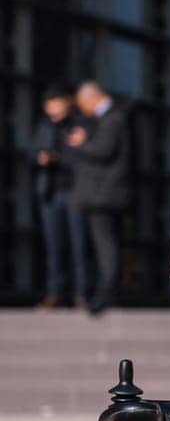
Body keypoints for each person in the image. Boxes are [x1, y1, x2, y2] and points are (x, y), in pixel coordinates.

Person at [68, 80, 131, 314]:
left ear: (91, 100)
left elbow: (103, 151)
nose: (83, 110)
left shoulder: (112, 118)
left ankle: (107, 292)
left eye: (83, 105)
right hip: (106, 193)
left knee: (106, 244)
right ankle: (109, 291)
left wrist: (82, 143)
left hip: (104, 193)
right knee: (109, 243)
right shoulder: (115, 117)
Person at [31, 85, 89, 308]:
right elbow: (31, 151)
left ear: (66, 103)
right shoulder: (44, 126)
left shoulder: (80, 125)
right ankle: (54, 293)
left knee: (78, 245)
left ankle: (81, 294)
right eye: (49, 106)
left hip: (75, 191)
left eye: (56, 104)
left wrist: (62, 157)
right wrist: (40, 158)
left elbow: (85, 158)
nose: (52, 110)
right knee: (53, 246)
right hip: (50, 193)